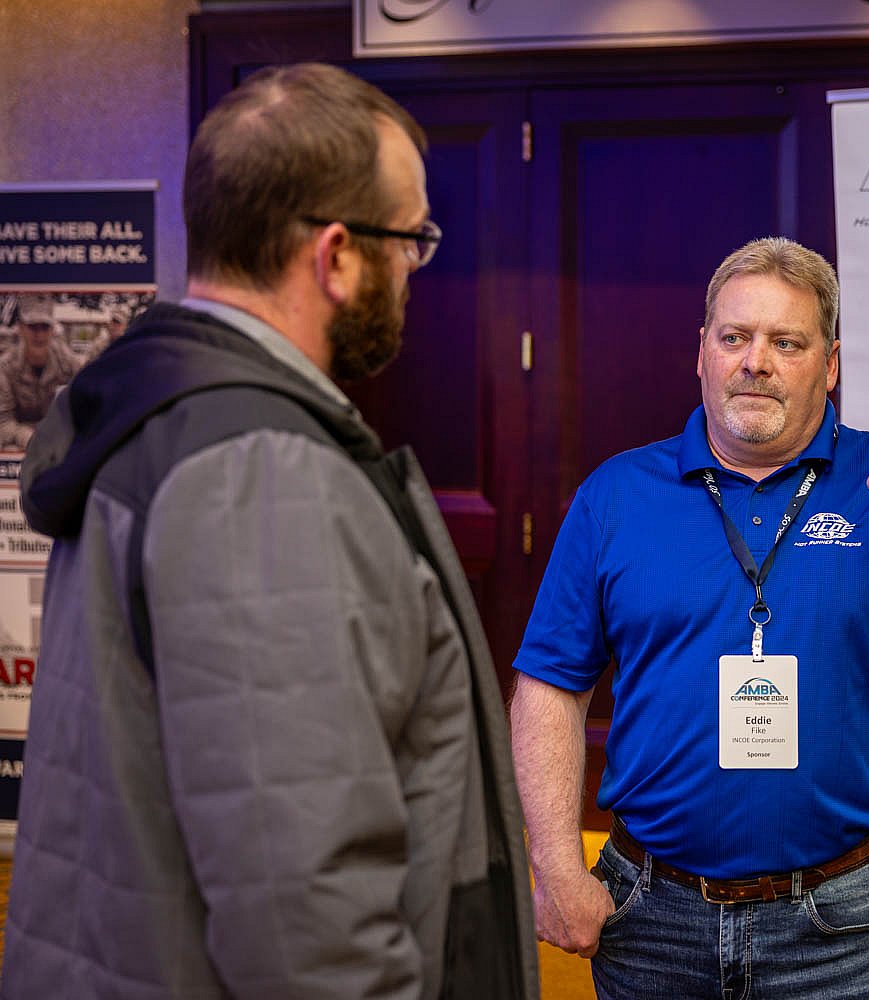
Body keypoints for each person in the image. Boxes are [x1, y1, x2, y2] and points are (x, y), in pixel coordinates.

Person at [1, 63, 538, 1000]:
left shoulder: (162, 418)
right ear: (336, 256)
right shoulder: (258, 470)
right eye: (411, 240)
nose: (414, 270)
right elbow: (306, 926)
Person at [510, 236, 869, 999]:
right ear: (702, 351)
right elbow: (550, 685)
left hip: (835, 927)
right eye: (734, 338)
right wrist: (554, 865)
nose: (755, 362)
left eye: (787, 342)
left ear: (830, 363)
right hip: (648, 917)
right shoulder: (615, 495)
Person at [0, 294, 84, 449]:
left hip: (59, 438)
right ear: (21, 329)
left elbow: (86, 403)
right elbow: (3, 421)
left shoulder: (68, 363)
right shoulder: (5, 367)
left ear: (52, 330)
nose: (39, 335)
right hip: (21, 441)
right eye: (33, 327)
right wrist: (29, 438)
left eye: (44, 327)